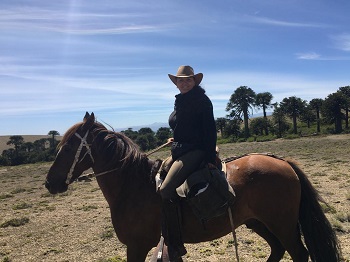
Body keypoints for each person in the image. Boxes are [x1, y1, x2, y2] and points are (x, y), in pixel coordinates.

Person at [159, 65, 217, 261]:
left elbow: (209, 131)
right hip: (180, 149)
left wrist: (209, 158)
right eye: (180, 80)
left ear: (194, 82)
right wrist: (174, 139)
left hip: (195, 151)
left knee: (166, 190)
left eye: (187, 80)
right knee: (156, 176)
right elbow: (184, 127)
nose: (184, 83)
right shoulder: (181, 101)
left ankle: (175, 243)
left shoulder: (201, 100)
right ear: (176, 84)